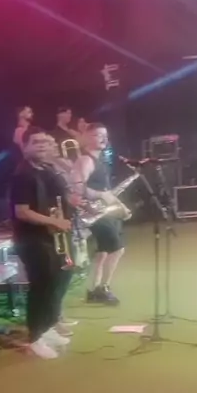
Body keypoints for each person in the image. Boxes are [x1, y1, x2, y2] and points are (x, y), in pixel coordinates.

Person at [11, 127, 75, 359]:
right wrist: (55, 221)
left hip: (51, 236)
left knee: (58, 280)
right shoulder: (23, 175)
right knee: (41, 287)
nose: (42, 146)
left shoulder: (47, 169)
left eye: (47, 142)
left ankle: (47, 328)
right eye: (36, 142)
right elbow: (22, 212)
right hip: (33, 240)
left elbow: (64, 193)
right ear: (25, 146)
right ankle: (35, 338)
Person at [72, 122, 125, 304]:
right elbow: (77, 189)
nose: (104, 138)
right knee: (117, 249)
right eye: (98, 135)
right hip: (93, 213)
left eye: (105, 135)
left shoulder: (100, 159)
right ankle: (103, 288)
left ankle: (94, 290)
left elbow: (106, 190)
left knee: (103, 251)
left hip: (104, 211)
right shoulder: (85, 160)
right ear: (86, 138)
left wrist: (120, 205)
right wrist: (101, 195)